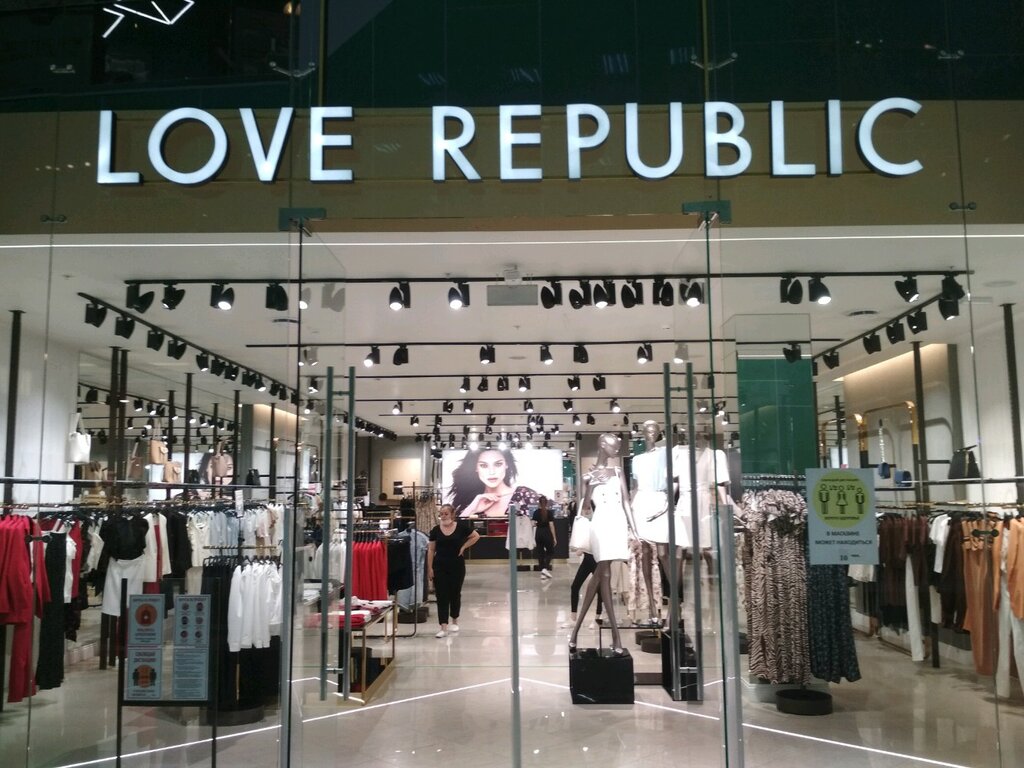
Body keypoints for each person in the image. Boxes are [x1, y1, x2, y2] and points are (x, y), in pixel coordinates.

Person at [568, 433, 637, 655]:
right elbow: (585, 508)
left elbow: (626, 502)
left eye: (618, 446)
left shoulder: (617, 471)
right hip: (601, 524)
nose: (617, 449)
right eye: (613, 445)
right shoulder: (587, 475)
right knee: (603, 572)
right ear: (602, 445)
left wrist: (634, 529)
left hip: (618, 523)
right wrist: (591, 486)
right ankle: (615, 636)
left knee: (601, 575)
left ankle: (576, 632)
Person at [427, 504, 480, 638]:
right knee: (441, 595)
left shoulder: (461, 528)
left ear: (452, 514)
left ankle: (454, 619)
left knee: (455, 593)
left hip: (457, 565)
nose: (443, 516)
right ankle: (443, 626)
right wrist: (430, 568)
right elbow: (431, 550)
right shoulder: (435, 530)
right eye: (441, 514)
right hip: (440, 566)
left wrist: (464, 547)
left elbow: (475, 536)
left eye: (446, 513)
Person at [448, 447, 540, 518]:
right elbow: (457, 531)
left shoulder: (525, 496)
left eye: (498, 464)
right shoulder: (472, 501)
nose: (491, 472)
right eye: (483, 465)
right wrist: (472, 509)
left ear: (506, 465)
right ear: (476, 468)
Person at [532, 495, 557, 578]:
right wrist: (554, 537)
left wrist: (537, 524)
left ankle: (542, 571)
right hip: (547, 533)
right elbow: (551, 525)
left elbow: (533, 524)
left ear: (539, 503)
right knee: (550, 551)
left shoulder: (536, 512)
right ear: (546, 503)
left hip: (538, 533)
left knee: (540, 552)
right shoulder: (549, 513)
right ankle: (545, 568)